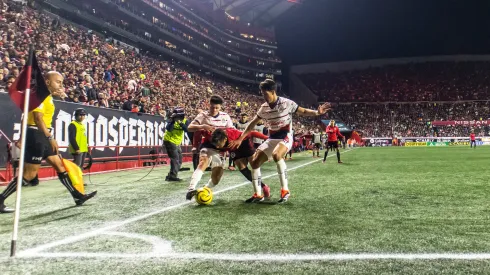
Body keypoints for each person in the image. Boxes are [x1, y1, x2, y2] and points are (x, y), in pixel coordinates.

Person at [0, 71, 96, 213]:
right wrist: (50, 138)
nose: (61, 85)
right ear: (48, 82)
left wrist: (22, 137)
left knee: (60, 166)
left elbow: (25, 116)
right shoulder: (39, 95)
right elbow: (38, 119)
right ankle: (1, 199)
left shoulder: (47, 96)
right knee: (29, 175)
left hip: (41, 135)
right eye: (58, 82)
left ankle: (77, 196)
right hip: (37, 136)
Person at [230, 79, 331, 203]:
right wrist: (240, 138)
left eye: (265, 93)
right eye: (261, 93)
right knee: (255, 163)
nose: (263, 96)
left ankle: (285, 190)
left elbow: (303, 111)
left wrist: (317, 112)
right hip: (272, 138)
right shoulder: (264, 108)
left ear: (273, 92)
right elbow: (251, 124)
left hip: (285, 136)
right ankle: (258, 194)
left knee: (277, 155)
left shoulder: (286, 103)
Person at [198, 128, 271, 201]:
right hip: (234, 148)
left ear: (225, 139)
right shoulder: (215, 137)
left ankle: (259, 193)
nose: (217, 147)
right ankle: (263, 187)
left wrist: (265, 137)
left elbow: (251, 132)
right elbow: (199, 132)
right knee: (242, 168)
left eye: (218, 144)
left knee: (254, 165)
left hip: (245, 143)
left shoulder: (232, 134)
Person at [185, 95, 234, 200]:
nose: (214, 110)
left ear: (220, 107)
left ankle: (204, 189)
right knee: (203, 162)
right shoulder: (203, 115)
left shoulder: (225, 116)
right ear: (209, 105)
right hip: (207, 146)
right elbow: (189, 128)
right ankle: (191, 189)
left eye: (217, 108)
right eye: (212, 107)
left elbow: (231, 132)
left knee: (216, 178)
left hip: (220, 149)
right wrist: (202, 126)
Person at [163, 107, 189, 181]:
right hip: (169, 140)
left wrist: (180, 123)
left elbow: (187, 129)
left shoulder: (185, 121)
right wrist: (173, 121)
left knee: (180, 159)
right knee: (175, 158)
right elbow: (169, 129)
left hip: (177, 142)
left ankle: (171, 174)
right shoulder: (171, 120)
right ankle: (172, 176)